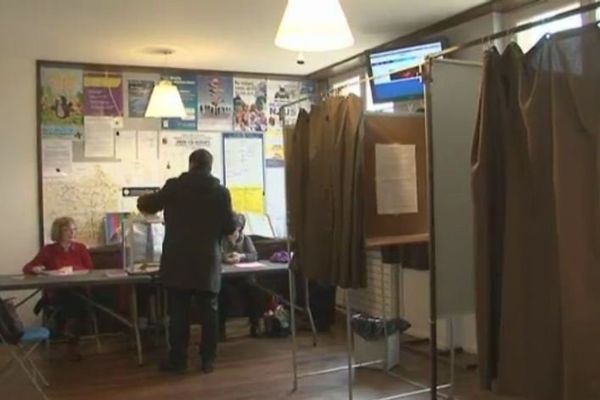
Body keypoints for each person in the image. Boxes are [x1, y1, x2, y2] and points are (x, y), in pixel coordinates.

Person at [137, 148, 235, 374]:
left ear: (191, 164)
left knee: (178, 314)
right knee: (209, 313)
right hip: (207, 261)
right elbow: (229, 227)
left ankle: (178, 361)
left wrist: (143, 197)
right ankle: (207, 361)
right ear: (210, 167)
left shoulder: (174, 186)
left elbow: (147, 205)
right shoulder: (221, 192)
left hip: (177, 260)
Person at [23, 217, 94, 361]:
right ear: (58, 232)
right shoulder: (48, 250)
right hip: (57, 292)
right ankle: (71, 342)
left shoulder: (80, 248)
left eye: (74, 229)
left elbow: (90, 268)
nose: (71, 233)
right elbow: (27, 268)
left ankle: (69, 334)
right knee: (74, 300)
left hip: (78, 289)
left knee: (77, 298)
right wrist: (36, 269)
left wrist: (72, 268)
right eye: (67, 229)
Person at [219, 214, 264, 338]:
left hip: (243, 277)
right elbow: (217, 254)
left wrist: (241, 257)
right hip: (226, 279)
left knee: (255, 291)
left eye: (235, 230)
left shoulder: (246, 239)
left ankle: (255, 326)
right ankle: (220, 330)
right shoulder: (221, 239)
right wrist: (225, 257)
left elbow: (254, 255)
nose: (233, 234)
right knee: (221, 293)